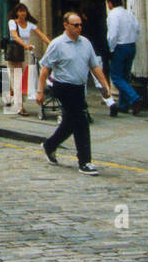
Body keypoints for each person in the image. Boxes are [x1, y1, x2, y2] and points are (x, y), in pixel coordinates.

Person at [36, 11, 114, 175]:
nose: (79, 28)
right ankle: (84, 162)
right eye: (75, 25)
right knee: (81, 120)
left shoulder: (85, 43)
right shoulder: (57, 44)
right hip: (63, 86)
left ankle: (50, 145)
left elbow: (95, 66)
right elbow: (45, 69)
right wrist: (40, 91)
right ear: (66, 25)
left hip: (79, 87)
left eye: (80, 25)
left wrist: (105, 84)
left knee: (70, 121)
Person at [5, 3, 47, 117]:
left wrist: (52, 44)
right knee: (17, 79)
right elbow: (15, 36)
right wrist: (25, 45)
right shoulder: (12, 22)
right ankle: (19, 106)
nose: (22, 13)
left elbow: (41, 34)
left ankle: (10, 96)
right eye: (20, 11)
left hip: (25, 54)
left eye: (24, 11)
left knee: (20, 79)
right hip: (14, 54)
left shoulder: (30, 24)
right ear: (16, 12)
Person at [106, 0, 143, 116]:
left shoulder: (113, 15)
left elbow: (112, 35)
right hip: (131, 45)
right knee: (125, 76)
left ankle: (134, 97)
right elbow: (137, 29)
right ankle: (124, 105)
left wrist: (111, 49)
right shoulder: (128, 13)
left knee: (116, 77)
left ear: (110, 3)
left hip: (120, 47)